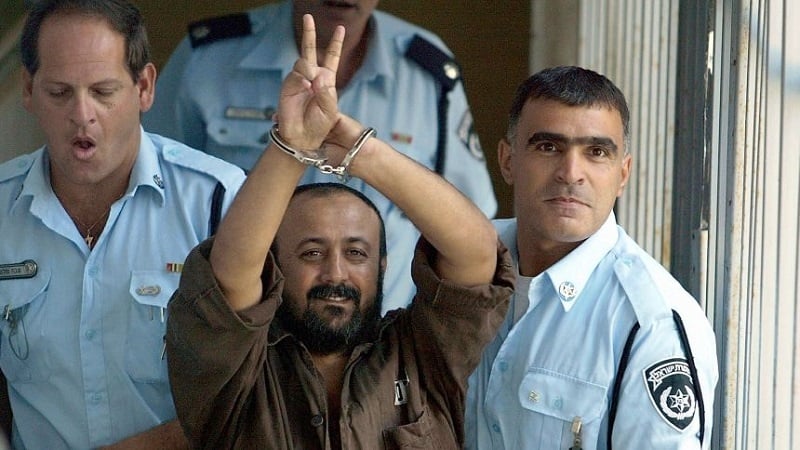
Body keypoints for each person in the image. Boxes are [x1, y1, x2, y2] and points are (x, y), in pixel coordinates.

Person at [165, 14, 514, 449]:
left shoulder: (422, 356)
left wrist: (362, 152)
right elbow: (230, 277)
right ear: (274, 267)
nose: (335, 274)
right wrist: (292, 147)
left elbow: (476, 254)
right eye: (311, 253)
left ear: (383, 264)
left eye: (356, 253)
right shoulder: (236, 372)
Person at [144, 0, 498, 313]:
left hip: (381, 335)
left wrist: (366, 154)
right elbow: (155, 195)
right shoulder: (209, 57)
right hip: (247, 329)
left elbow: (473, 231)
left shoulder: (427, 72)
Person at [0, 1, 246, 448]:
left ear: (144, 87)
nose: (82, 114)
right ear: (29, 90)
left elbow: (258, 387)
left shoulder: (216, 200)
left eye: (103, 91)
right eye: (59, 92)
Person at [465, 66, 719, 449]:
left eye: (596, 152)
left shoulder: (651, 324)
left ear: (623, 174)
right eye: (548, 147)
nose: (571, 173)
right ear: (507, 160)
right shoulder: (464, 264)